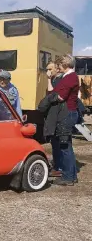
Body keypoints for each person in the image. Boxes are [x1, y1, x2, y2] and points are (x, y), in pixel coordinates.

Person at [51, 54, 79, 186]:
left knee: (64, 145)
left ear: (65, 65)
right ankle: (71, 175)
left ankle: (68, 177)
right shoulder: (70, 77)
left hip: (67, 113)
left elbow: (61, 96)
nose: (58, 68)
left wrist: (50, 98)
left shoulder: (70, 78)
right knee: (67, 144)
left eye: (59, 65)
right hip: (68, 112)